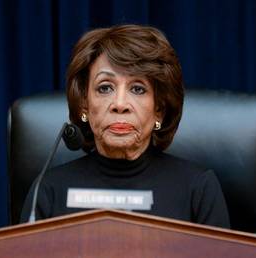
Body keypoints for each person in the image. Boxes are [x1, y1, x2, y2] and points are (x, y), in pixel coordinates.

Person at [20, 24, 230, 228]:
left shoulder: (198, 189)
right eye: (105, 88)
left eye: (137, 89)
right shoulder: (47, 190)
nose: (120, 104)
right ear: (84, 104)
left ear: (159, 109)